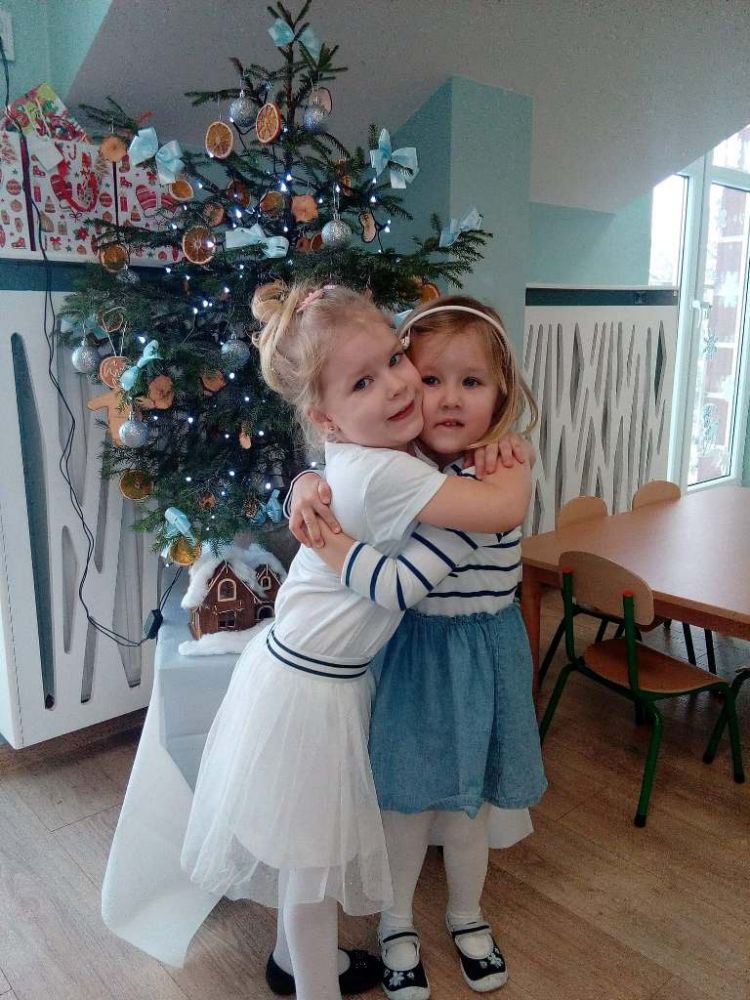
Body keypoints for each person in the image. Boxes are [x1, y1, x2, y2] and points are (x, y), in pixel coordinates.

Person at [180, 283, 533, 1000]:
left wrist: (307, 486)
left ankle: (292, 963)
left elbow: (359, 477)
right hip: (310, 690)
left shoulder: (377, 456)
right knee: (312, 873)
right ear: (325, 416)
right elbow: (467, 529)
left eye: (396, 361)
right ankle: (310, 981)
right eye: (365, 382)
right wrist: (514, 465)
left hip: (301, 675)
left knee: (306, 857)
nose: (400, 387)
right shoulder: (394, 470)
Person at [287, 296, 545, 998]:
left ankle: (466, 915)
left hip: (481, 658)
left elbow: (397, 580)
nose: (450, 398)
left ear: (502, 393)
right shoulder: (400, 464)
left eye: (472, 382)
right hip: (415, 660)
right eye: (432, 379)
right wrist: (304, 483)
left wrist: (326, 540)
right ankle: (395, 923)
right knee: (402, 811)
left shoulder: (492, 477)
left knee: (468, 812)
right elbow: (339, 466)